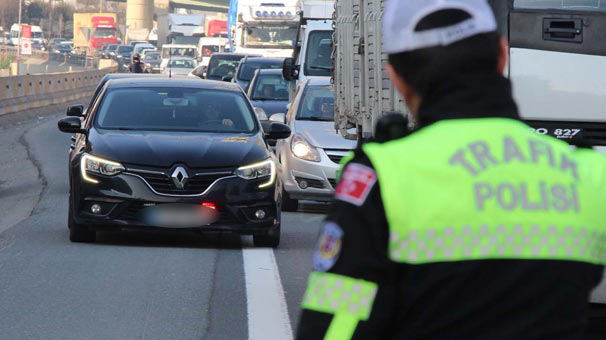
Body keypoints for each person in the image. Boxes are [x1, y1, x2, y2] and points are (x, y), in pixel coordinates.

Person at [297, 1, 606, 339]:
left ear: (397, 79)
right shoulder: (587, 174)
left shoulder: (383, 178)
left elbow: (334, 328)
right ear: (502, 56)